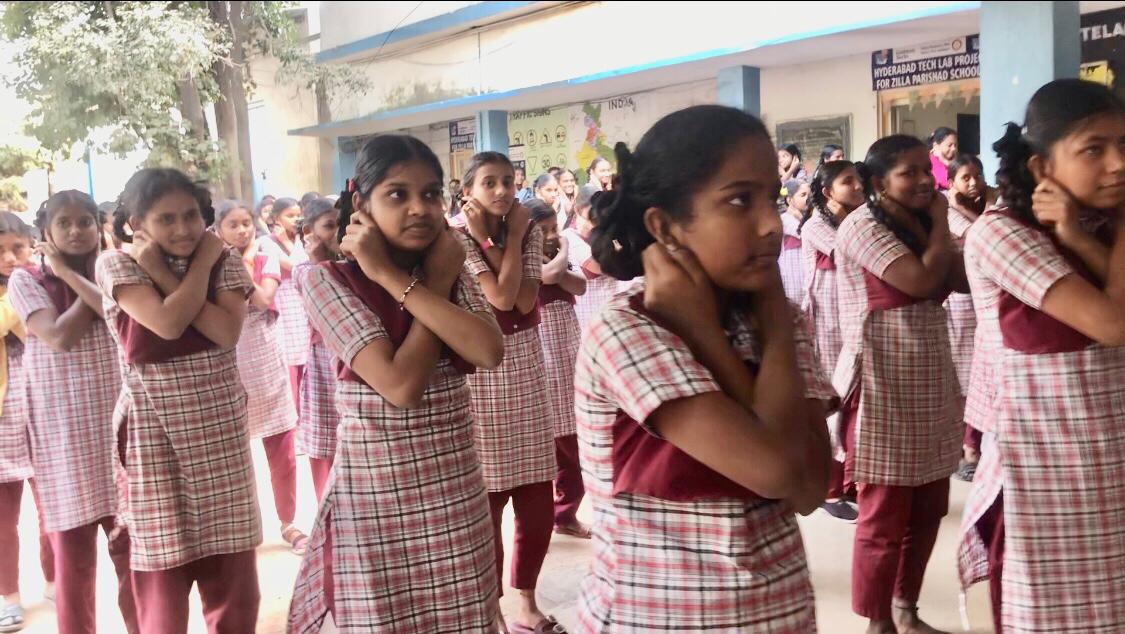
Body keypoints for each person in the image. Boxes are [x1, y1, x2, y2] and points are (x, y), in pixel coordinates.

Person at [574, 105, 832, 631]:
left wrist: (736, 329)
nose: (771, 224)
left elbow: (809, 490)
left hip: (776, 615)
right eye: (739, 201)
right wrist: (726, 330)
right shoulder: (628, 330)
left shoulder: (774, 319)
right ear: (664, 226)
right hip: (658, 619)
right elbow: (778, 471)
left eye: (771, 198)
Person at [287, 135, 503, 632]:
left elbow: (489, 350)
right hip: (375, 500)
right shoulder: (325, 280)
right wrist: (413, 281)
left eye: (430, 194)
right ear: (360, 202)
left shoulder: (446, 269)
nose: (419, 208)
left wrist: (408, 279)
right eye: (397, 194)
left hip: (455, 492)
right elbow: (401, 386)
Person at [962, 78, 1125, 633]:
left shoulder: (1099, 226)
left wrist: (1080, 238)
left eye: (1124, 145)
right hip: (1047, 473)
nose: (1118, 164)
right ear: (1042, 168)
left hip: (1112, 462)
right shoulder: (1000, 234)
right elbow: (1114, 324)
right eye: (1094, 149)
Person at [97, 168, 260, 633]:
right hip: (153, 434)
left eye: (190, 215)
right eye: (165, 219)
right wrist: (189, 269)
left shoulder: (226, 262)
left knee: (232, 574)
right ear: (137, 224)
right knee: (161, 573)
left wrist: (189, 269)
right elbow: (166, 325)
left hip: (220, 431)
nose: (183, 228)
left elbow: (225, 332)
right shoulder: (117, 265)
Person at [835, 135, 965, 634]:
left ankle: (906, 610)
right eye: (908, 172)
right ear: (877, 183)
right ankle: (878, 623)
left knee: (929, 507)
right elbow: (923, 281)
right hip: (883, 379)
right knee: (885, 514)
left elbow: (961, 278)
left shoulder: (919, 221)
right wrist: (942, 223)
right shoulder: (862, 225)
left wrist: (941, 228)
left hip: (929, 374)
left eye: (925, 170)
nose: (923, 180)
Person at [9, 192, 137, 634]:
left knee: (133, 555)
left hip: (121, 433)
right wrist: (81, 278)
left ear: (99, 228)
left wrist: (84, 276)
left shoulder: (121, 270)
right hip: (63, 439)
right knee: (73, 561)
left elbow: (119, 312)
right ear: (45, 233)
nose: (76, 230)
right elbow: (59, 337)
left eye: (85, 221)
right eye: (63, 223)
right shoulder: (26, 280)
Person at [456, 152, 563, 634]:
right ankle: (491, 608)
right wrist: (499, 239)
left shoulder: (529, 229)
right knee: (489, 499)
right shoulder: (456, 237)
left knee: (537, 497)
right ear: (467, 192)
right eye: (488, 183)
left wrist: (513, 238)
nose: (501, 191)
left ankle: (528, 602)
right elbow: (501, 297)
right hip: (480, 370)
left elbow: (523, 299)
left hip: (526, 366)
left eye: (507, 181)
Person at [213, 200, 306, 556]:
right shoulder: (207, 266)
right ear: (218, 229)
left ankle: (289, 522)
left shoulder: (264, 257)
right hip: (227, 361)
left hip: (266, 358)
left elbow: (265, 299)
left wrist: (238, 267)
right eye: (233, 225)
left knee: (282, 448)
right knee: (230, 454)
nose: (242, 231)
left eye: (246, 224)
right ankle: (238, 526)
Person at [800, 160, 866, 522]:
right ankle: (830, 488)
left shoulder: (855, 220)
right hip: (828, 323)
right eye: (847, 182)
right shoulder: (815, 226)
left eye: (858, 180)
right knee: (833, 402)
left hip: (854, 319)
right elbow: (852, 253)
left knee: (855, 402)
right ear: (827, 192)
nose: (857, 186)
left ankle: (852, 479)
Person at [0, 212, 53, 633]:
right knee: (4, 515)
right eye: (0, 251)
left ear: (31, 246)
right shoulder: (29, 288)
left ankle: (56, 581)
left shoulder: (45, 282)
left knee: (52, 503)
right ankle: (8, 596)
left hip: (43, 403)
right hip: (3, 414)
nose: (10, 258)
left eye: (17, 248)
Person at [526, 199, 589, 539]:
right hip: (545, 358)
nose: (552, 235)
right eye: (544, 230)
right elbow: (550, 275)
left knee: (573, 444)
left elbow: (580, 285)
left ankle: (564, 514)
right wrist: (564, 247)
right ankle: (553, 516)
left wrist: (560, 259)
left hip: (568, 354)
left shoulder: (554, 258)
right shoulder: (524, 258)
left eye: (555, 229)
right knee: (558, 444)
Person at [943, 154, 996, 483]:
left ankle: (976, 445)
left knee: (983, 373)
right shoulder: (949, 213)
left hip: (986, 301)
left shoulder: (986, 207)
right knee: (965, 376)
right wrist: (965, 207)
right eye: (965, 178)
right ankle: (968, 448)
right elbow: (987, 236)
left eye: (978, 175)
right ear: (951, 184)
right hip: (962, 303)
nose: (974, 182)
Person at [292, 198, 342, 503]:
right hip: (324, 366)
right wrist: (320, 260)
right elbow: (330, 299)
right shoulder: (303, 271)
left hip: (352, 365)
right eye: (329, 226)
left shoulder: (358, 264)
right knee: (326, 446)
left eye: (341, 224)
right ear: (308, 233)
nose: (337, 232)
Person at [260, 197, 310, 425]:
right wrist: (283, 240)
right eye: (290, 215)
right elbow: (295, 266)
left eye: (298, 214)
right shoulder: (266, 242)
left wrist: (292, 241)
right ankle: (293, 418)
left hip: (303, 303)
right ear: (276, 219)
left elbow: (307, 265)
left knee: (307, 358)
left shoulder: (303, 239)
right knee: (289, 359)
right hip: (284, 303)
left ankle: (307, 415)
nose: (296, 219)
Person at [565, 185, 617, 334]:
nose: (597, 219)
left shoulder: (608, 234)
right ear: (578, 210)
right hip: (589, 317)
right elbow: (601, 266)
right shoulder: (569, 238)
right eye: (593, 214)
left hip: (612, 311)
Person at [780, 179, 810, 306]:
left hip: (805, 273)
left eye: (810, 194)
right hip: (793, 275)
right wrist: (801, 218)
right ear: (789, 200)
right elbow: (806, 233)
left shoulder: (806, 219)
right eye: (803, 195)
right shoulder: (785, 220)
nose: (808, 198)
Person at [928, 127, 958, 191]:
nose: (954, 149)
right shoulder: (931, 160)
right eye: (949, 145)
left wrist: (945, 161)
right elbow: (947, 182)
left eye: (955, 145)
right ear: (936, 146)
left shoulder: (953, 159)